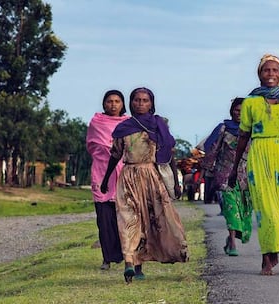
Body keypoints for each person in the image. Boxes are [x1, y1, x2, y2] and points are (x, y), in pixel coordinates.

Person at [228, 54, 279, 275]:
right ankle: (266, 255)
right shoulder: (251, 102)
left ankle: (275, 250)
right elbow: (243, 135)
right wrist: (235, 168)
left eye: (275, 70)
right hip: (259, 154)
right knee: (265, 209)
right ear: (259, 74)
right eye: (266, 70)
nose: (270, 74)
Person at [100, 87, 188, 284]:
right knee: (129, 219)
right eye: (137, 100)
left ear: (151, 103)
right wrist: (106, 180)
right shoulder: (124, 128)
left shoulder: (159, 125)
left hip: (152, 177)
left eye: (145, 100)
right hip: (129, 177)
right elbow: (115, 155)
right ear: (131, 103)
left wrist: (175, 182)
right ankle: (130, 262)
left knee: (152, 221)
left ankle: (142, 262)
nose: (140, 104)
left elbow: (169, 156)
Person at [196, 97, 252, 256]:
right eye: (236, 110)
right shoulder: (223, 129)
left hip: (246, 177)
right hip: (225, 175)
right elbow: (212, 149)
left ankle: (231, 237)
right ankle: (233, 243)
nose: (239, 114)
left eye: (242, 111)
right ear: (231, 111)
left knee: (243, 210)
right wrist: (205, 172)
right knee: (230, 208)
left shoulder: (253, 130)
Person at [86, 89, 129, 270]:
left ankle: (126, 254)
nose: (113, 105)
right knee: (104, 219)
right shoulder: (96, 122)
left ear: (122, 104)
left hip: (124, 173)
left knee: (125, 218)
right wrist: (107, 150)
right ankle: (107, 258)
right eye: (109, 101)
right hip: (101, 172)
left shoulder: (128, 123)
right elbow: (91, 146)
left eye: (117, 101)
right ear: (104, 103)